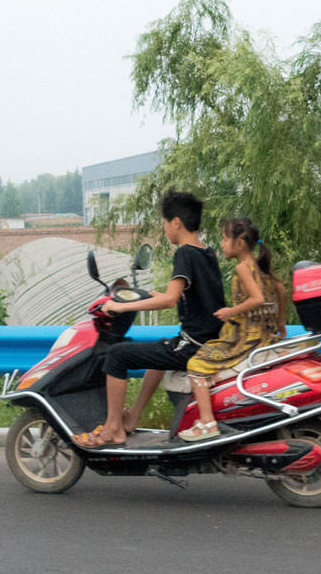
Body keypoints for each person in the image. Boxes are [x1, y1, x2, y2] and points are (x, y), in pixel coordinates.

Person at [75, 190, 226, 448]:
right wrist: (172, 296)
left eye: (165, 223)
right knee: (158, 353)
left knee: (117, 355)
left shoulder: (184, 253)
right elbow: (203, 296)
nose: (165, 228)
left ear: (175, 222)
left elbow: (169, 299)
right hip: (210, 339)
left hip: (194, 344)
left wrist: (122, 307)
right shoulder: (206, 252)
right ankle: (132, 417)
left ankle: (113, 430)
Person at [178, 217, 287, 440]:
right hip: (265, 337)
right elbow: (282, 292)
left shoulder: (243, 268)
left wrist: (230, 312)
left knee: (196, 364)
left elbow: (256, 299)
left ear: (239, 243)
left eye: (225, 238)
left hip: (244, 339)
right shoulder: (261, 266)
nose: (222, 243)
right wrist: (281, 323)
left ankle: (207, 423)